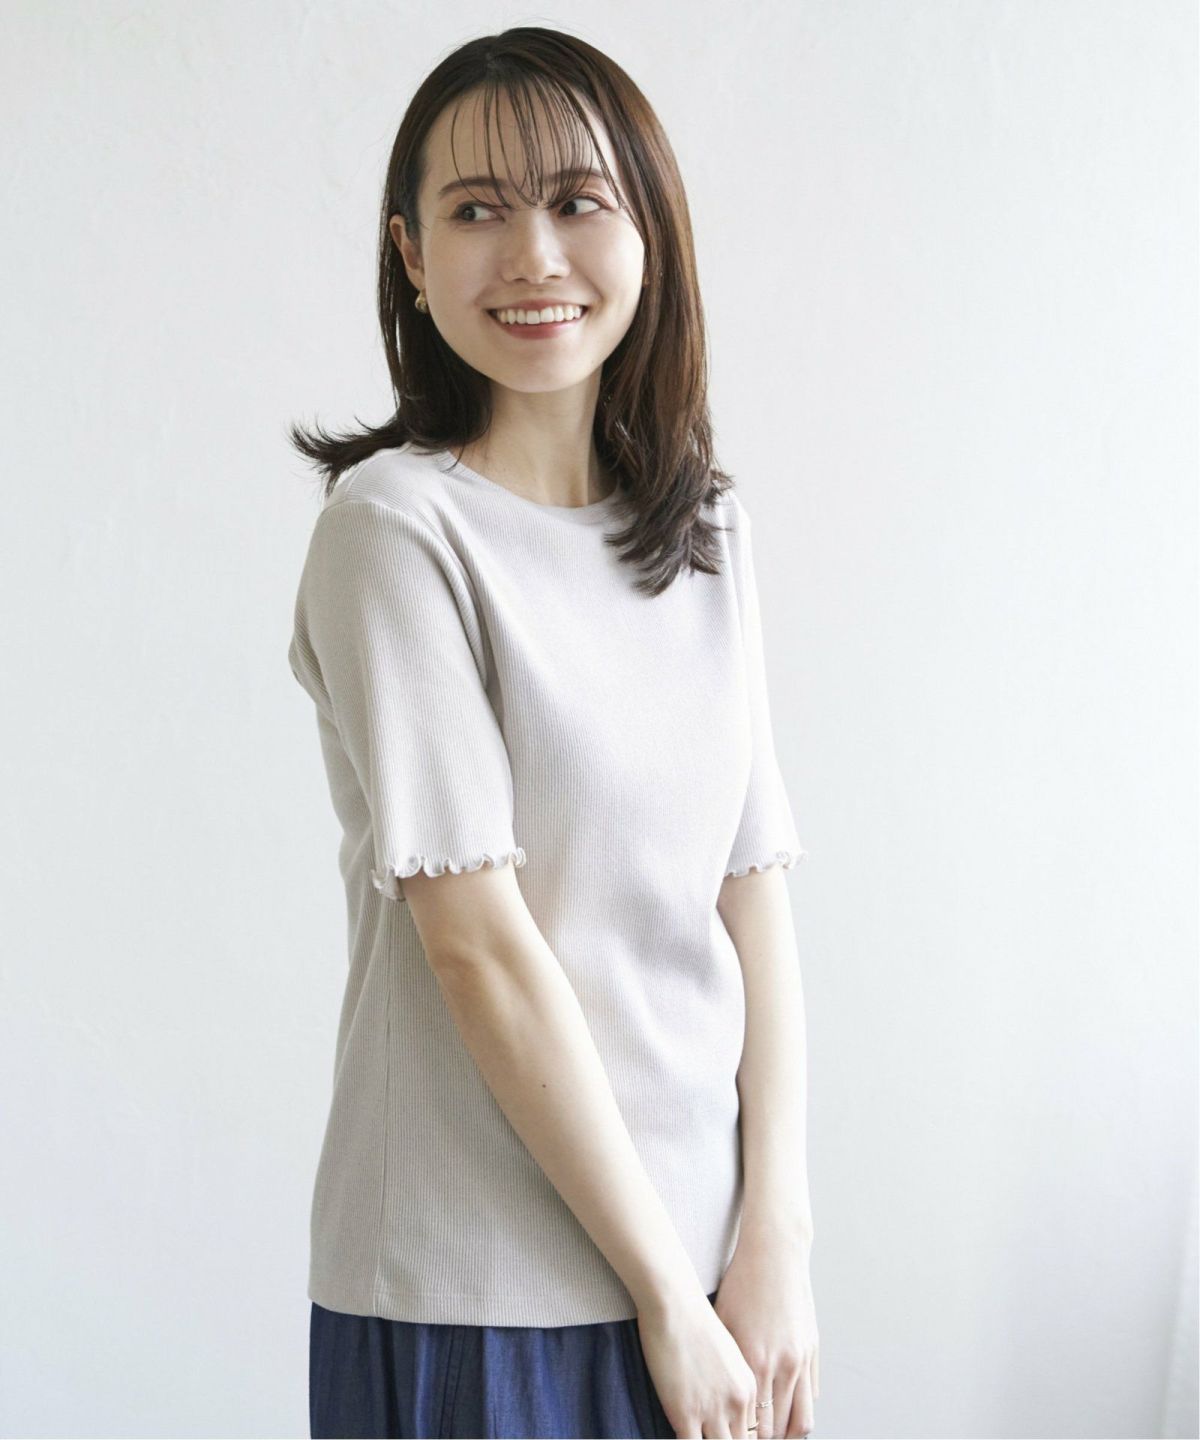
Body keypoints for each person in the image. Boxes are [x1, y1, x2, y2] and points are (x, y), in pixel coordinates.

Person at [287, 25, 819, 1440]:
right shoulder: (396, 532)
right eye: (477, 210)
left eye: (578, 200)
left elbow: (751, 892)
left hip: (711, 1284)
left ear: (650, 232)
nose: (532, 255)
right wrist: (661, 1293)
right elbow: (479, 947)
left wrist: (776, 1241)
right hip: (480, 1294)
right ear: (412, 256)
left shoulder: (707, 532)